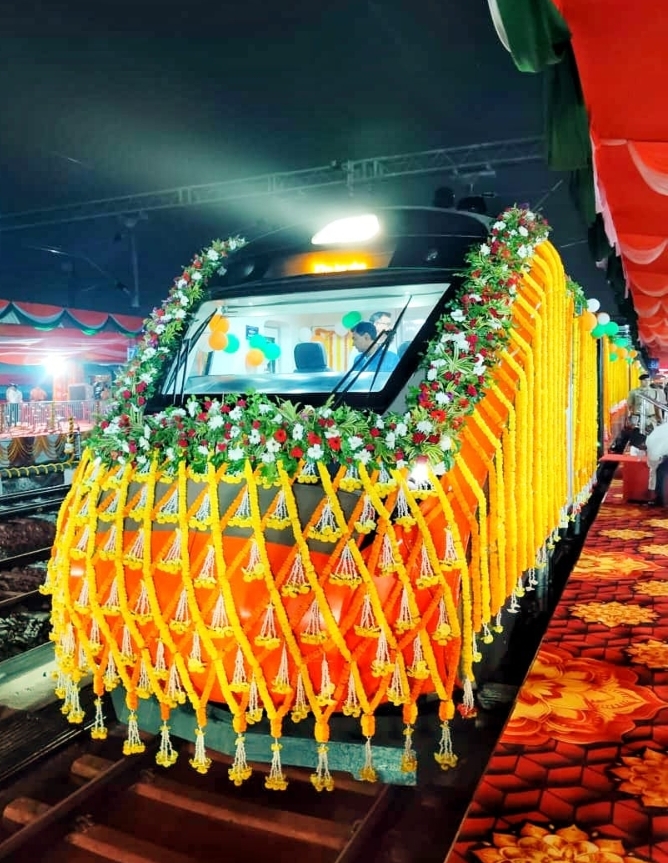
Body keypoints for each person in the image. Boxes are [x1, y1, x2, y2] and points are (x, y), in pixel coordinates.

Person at [645, 422, 668, 505]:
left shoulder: (652, 442)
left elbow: (652, 462)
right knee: (661, 471)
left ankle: (660, 499)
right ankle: (659, 498)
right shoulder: (656, 435)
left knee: (660, 471)